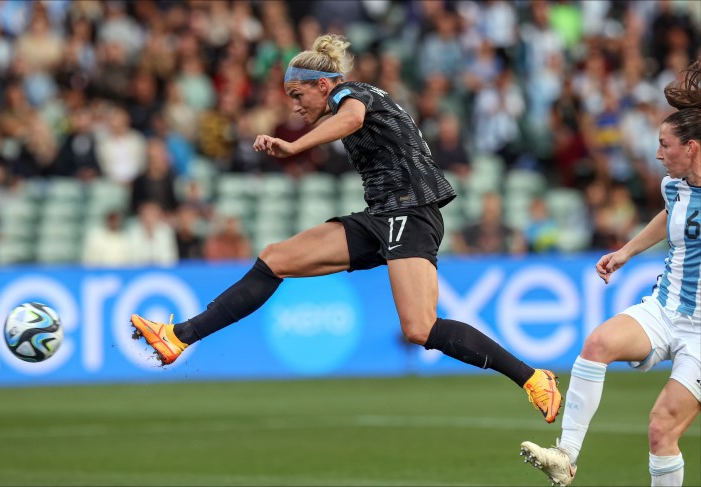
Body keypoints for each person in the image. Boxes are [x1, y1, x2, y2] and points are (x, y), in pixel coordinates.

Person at [131, 34, 562, 424]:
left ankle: (532, 379)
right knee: (275, 258)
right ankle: (178, 337)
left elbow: (353, 119)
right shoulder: (347, 98)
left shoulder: (353, 93)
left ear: (323, 85)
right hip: (382, 215)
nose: (295, 106)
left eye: (298, 95)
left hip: (410, 212)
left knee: (420, 329)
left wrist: (296, 147)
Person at [520, 58, 701, 486]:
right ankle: (565, 457)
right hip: (666, 307)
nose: (657, 154)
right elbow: (668, 214)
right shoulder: (673, 184)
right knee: (598, 343)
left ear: (691, 147)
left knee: (661, 430)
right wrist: (627, 252)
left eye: (665, 145)